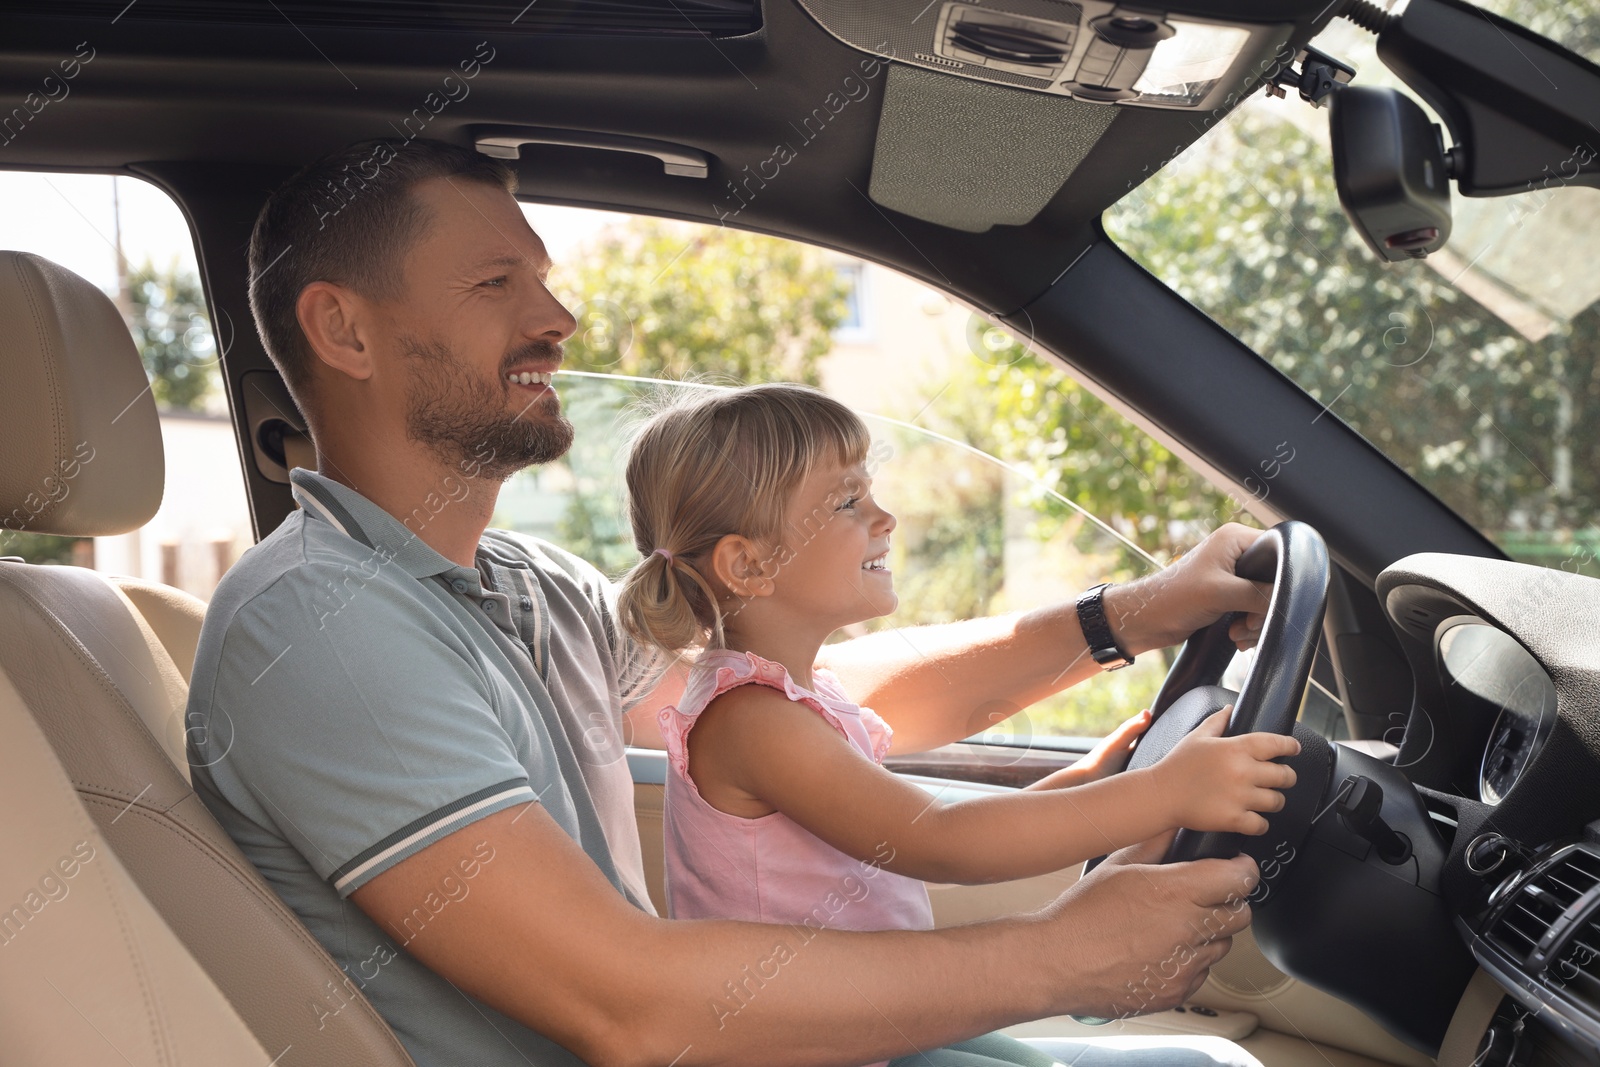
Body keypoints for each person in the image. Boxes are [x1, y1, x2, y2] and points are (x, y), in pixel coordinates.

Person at [187, 135, 1275, 1067]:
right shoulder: (317, 624)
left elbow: (792, 707)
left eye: (547, 280)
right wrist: (1054, 953)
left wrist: (1123, 619)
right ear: (344, 331)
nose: (559, 317)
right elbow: (626, 1001)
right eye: (495, 284)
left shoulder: (522, 585)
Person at [613, 384, 1299, 1067]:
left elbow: (895, 847)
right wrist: (1167, 792)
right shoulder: (751, 720)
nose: (885, 517)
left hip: (878, 1023)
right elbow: (940, 842)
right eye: (849, 501)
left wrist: (1087, 782)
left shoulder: (800, 698)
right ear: (750, 563)